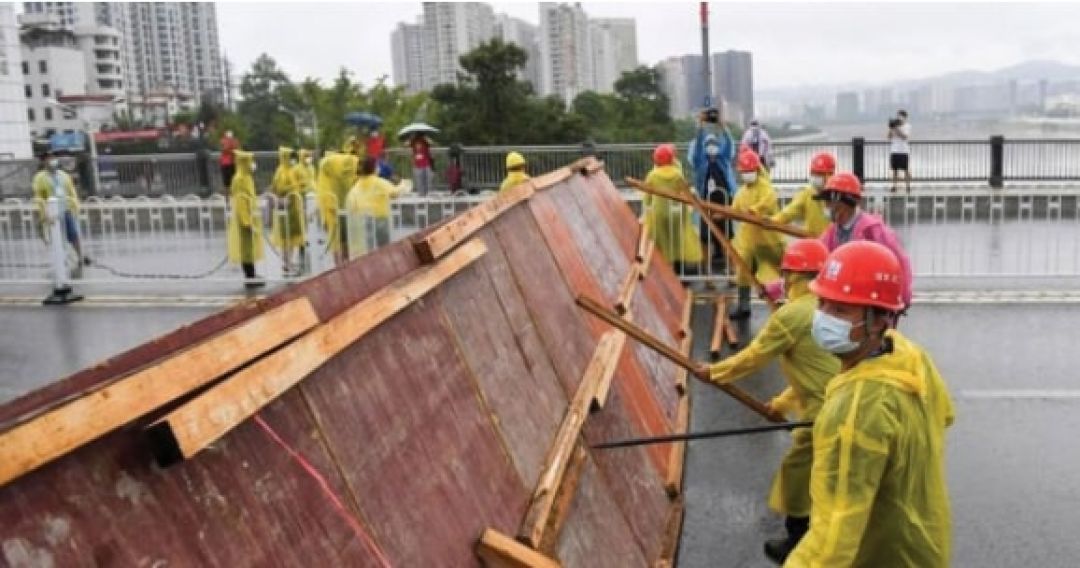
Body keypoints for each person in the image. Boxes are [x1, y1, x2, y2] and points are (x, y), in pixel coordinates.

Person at [785, 240, 954, 567]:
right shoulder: (908, 355)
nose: (823, 318)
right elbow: (944, 414)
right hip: (925, 543)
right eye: (822, 303)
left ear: (878, 320)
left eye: (841, 310)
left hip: (883, 555)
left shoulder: (855, 410)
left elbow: (831, 540)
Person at [697, 238, 840, 564]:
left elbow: (754, 357)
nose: (785, 280)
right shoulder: (823, 308)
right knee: (825, 476)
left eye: (788, 274)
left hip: (822, 415)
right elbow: (814, 374)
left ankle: (800, 542)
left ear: (797, 276)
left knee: (798, 476)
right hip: (836, 403)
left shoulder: (792, 315)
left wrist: (714, 372)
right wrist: (779, 404)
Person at [814, 172, 913, 310]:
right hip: (843, 300)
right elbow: (817, 258)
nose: (826, 207)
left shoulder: (873, 230)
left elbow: (899, 262)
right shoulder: (832, 232)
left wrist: (903, 298)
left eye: (828, 202)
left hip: (871, 303)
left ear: (842, 202)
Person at [730, 150, 785, 319]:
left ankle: (783, 307)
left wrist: (755, 210)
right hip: (749, 240)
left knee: (776, 273)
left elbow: (768, 202)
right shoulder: (741, 192)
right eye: (744, 172)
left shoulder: (765, 187)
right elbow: (735, 209)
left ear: (757, 169)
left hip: (769, 241)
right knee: (743, 272)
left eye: (749, 171)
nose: (747, 174)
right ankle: (743, 305)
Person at [641, 143, 703, 273]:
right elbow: (685, 193)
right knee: (677, 242)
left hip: (660, 213)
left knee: (663, 244)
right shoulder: (677, 174)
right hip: (677, 214)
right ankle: (678, 271)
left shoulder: (652, 175)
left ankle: (666, 272)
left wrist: (645, 213)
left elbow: (647, 197)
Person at [688, 108, 738, 263]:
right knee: (705, 238)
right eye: (708, 144)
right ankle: (707, 275)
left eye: (714, 144)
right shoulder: (700, 161)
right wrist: (700, 127)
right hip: (706, 202)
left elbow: (729, 145)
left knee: (727, 237)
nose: (711, 147)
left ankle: (731, 272)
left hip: (724, 201)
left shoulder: (723, 159)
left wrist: (723, 127)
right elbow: (696, 149)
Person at [32, 153, 85, 267]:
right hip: (51, 212)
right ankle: (61, 260)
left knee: (73, 234)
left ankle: (80, 256)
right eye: (49, 159)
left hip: (65, 208)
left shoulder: (63, 175)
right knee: (57, 238)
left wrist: (74, 203)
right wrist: (43, 211)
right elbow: (38, 196)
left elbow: (71, 191)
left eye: (53, 158)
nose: (52, 161)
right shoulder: (40, 178)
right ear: (44, 162)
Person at [345, 157, 404, 259]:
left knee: (370, 248)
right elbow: (394, 193)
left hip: (366, 220)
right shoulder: (379, 182)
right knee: (384, 248)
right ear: (374, 168)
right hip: (381, 218)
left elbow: (352, 202)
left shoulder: (357, 185)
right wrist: (403, 184)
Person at [774, 152, 835, 238]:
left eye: (819, 174)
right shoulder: (807, 194)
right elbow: (789, 212)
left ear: (830, 175)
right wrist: (773, 221)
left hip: (834, 245)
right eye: (813, 173)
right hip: (812, 243)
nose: (815, 177)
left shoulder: (838, 196)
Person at [226, 150, 264, 287]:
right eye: (249, 161)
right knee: (246, 248)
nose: (252, 164)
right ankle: (249, 276)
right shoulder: (239, 179)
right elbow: (241, 201)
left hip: (250, 216)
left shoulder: (247, 177)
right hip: (245, 218)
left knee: (250, 247)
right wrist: (246, 221)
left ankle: (252, 274)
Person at [315, 151, 360, 265]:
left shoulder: (332, 173)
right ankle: (341, 265)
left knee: (343, 237)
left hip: (340, 207)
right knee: (338, 239)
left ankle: (343, 264)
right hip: (334, 208)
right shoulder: (332, 171)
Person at [270, 147, 306, 276]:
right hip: (286, 207)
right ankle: (286, 263)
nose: (292, 160)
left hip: (294, 207)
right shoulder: (281, 171)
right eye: (290, 157)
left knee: (293, 237)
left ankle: (289, 262)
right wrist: (293, 187)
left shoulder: (291, 170)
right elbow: (278, 188)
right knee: (286, 237)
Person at [888, 109, 911, 193]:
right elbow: (889, 137)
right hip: (894, 150)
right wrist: (891, 128)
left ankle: (908, 186)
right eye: (898, 116)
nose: (899, 118)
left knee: (906, 169)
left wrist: (897, 128)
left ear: (905, 118)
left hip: (904, 151)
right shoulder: (894, 126)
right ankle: (894, 186)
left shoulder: (907, 126)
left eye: (901, 116)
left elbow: (904, 136)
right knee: (894, 170)